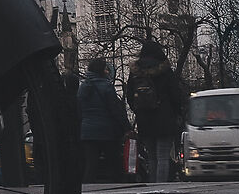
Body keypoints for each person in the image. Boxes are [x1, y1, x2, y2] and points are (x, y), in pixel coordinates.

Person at [125, 38, 188, 185]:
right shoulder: (165, 71)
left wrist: (139, 110)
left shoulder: (135, 73)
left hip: (144, 120)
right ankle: (162, 187)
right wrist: (176, 112)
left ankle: (152, 187)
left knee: (152, 157)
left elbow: (129, 97)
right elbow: (175, 95)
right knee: (163, 156)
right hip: (164, 118)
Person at [78, 57, 129, 183]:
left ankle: (87, 192)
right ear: (101, 70)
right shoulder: (106, 86)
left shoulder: (83, 87)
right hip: (106, 131)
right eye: (106, 69)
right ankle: (116, 189)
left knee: (91, 165)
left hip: (88, 131)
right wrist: (127, 128)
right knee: (113, 163)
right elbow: (115, 110)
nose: (108, 71)